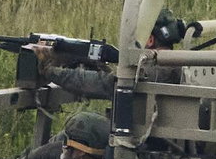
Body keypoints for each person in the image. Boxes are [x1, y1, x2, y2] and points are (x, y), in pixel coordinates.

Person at [35, 9, 194, 99]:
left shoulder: (152, 70)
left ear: (150, 40)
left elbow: (102, 84)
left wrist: (48, 69)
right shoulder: (173, 64)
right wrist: (103, 68)